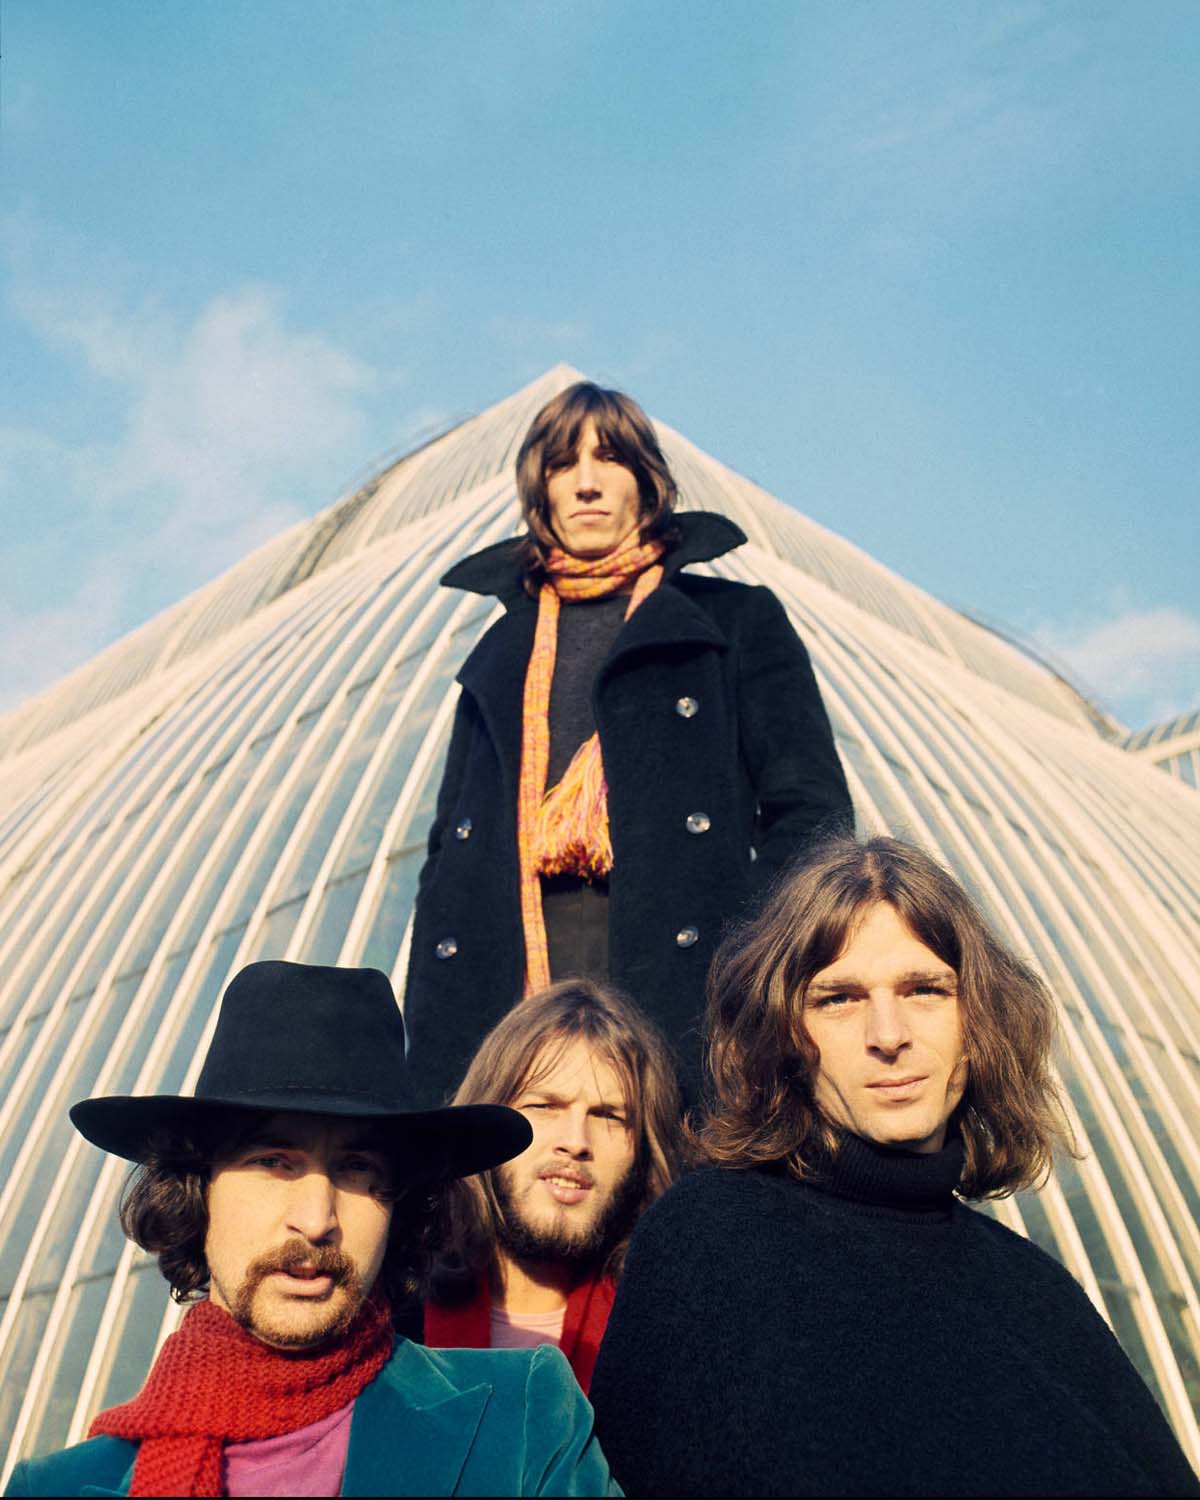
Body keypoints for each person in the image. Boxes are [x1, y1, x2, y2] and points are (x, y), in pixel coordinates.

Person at [588, 836, 1200, 1497]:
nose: (888, 1035)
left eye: (924, 990)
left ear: (977, 1021)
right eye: (839, 999)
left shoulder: (1040, 1292)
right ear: (783, 1032)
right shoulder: (709, 1241)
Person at [6, 961, 619, 1498]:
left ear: (400, 1206)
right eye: (274, 1162)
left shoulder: (523, 1419)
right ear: (198, 1188)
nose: (318, 1219)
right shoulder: (58, 1487)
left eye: (357, 1168)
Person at [404, 380, 852, 1106]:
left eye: (609, 459)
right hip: (509, 982)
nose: (585, 483)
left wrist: (748, 950)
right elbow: (447, 847)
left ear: (648, 484)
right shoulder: (501, 650)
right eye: (562, 465)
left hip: (681, 972)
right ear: (540, 493)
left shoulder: (735, 622)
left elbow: (811, 813)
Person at [406, 979, 686, 1393]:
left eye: (608, 1116)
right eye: (545, 1106)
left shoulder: (674, 1343)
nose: (575, 1141)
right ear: (486, 1122)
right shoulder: (386, 1322)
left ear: (645, 1147)